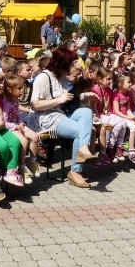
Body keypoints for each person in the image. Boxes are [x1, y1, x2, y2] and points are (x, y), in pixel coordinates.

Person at [30, 47, 97, 188]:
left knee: (86, 112)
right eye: (71, 62)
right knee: (79, 130)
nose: (73, 65)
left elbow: (68, 98)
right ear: (63, 62)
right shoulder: (44, 77)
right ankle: (75, 172)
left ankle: (83, 149)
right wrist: (58, 100)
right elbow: (35, 104)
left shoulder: (62, 77)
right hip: (46, 117)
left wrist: (83, 96)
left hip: (61, 113)